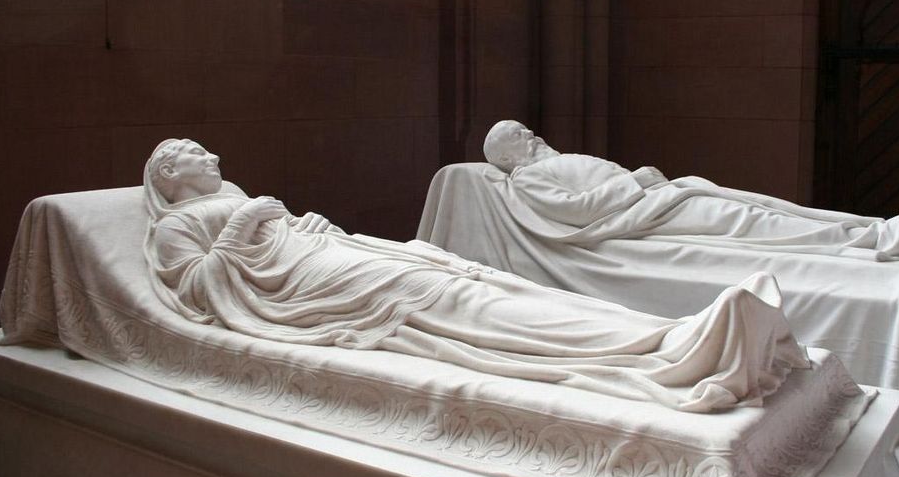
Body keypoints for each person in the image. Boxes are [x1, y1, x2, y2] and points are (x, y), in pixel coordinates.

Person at [144, 138, 816, 413]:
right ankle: (667, 353)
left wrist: (300, 223)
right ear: (169, 178)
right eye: (186, 152)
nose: (205, 152)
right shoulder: (178, 224)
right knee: (466, 305)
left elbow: (270, 240)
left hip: (342, 257)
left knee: (486, 283)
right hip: (332, 288)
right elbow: (202, 288)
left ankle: (674, 334)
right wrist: (254, 221)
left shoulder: (234, 199)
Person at [482, 120, 899, 260]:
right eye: (519, 137)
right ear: (507, 158)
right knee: (751, 222)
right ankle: (879, 238)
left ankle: (876, 229)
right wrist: (633, 183)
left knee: (759, 205)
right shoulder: (529, 177)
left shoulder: (550, 161)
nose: (532, 135)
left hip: (658, 198)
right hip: (642, 213)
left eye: (526, 130)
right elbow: (577, 212)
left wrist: (643, 184)